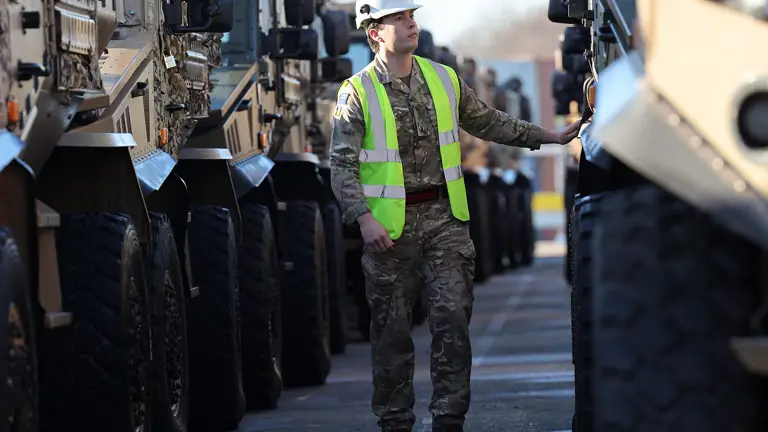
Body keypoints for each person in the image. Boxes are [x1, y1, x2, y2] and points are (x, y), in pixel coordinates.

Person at [329, 1, 580, 431]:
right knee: (391, 334)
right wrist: (363, 219)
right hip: (390, 231)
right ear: (375, 33)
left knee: (452, 321)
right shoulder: (357, 92)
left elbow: (489, 122)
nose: (411, 24)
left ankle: (449, 418)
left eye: (412, 16)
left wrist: (549, 136)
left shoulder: (443, 79)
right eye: (399, 19)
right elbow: (342, 164)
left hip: (445, 220)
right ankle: (395, 421)